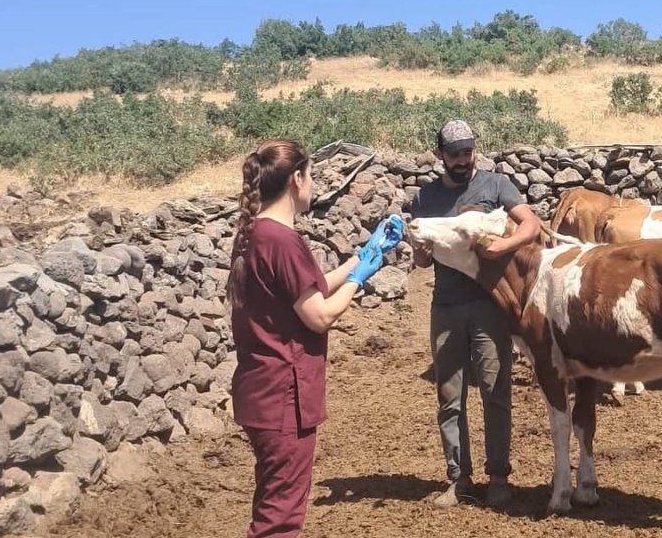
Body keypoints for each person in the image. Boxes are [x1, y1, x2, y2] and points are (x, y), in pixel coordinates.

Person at [226, 138, 404, 538]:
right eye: (311, 176)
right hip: (283, 395)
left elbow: (308, 287)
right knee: (280, 518)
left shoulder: (257, 233)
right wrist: (358, 281)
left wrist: (364, 255)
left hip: (260, 390)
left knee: (273, 501)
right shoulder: (284, 241)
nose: (314, 185)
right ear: (296, 179)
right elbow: (318, 315)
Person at [408, 119, 542, 507]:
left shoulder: (495, 185)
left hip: (489, 304)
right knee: (449, 395)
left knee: (494, 389)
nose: (463, 159)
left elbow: (530, 224)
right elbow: (421, 262)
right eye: (455, 154)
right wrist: (419, 251)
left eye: (468, 151)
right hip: (446, 306)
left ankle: (498, 476)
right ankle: (459, 477)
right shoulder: (426, 198)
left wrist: (504, 247)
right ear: (440, 156)